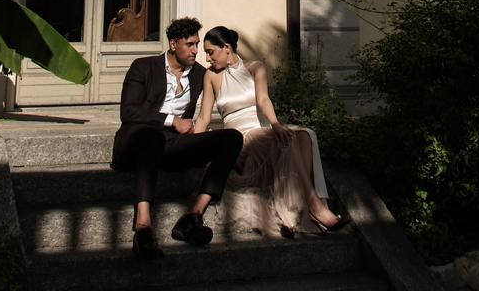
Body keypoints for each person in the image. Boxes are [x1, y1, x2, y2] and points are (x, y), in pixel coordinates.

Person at [193, 25, 348, 237]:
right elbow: (203, 117)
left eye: (210, 52)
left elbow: (263, 99)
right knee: (287, 140)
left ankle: (301, 210)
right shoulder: (211, 76)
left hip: (259, 131)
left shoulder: (256, 68)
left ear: (226, 48)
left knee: (303, 135)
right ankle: (316, 207)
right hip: (237, 140)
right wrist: (193, 147)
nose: (208, 58)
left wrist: (275, 123)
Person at [111, 16, 244, 259]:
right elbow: (128, 111)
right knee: (151, 136)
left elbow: (233, 71)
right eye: (190, 45)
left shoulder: (199, 74)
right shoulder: (143, 66)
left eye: (198, 45)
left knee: (231, 139)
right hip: (138, 142)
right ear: (173, 44)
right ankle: (143, 228)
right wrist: (173, 121)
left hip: (173, 146)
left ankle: (192, 217)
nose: (196, 51)